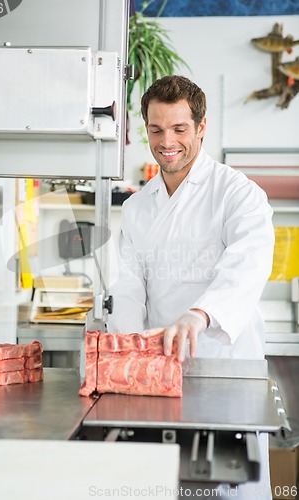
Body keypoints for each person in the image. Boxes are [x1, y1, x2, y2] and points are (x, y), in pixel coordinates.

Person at [108, 75, 275, 499]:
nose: (168, 141)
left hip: (222, 365)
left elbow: (248, 265)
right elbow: (129, 286)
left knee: (226, 483)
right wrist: (125, 352)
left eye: (180, 129)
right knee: (165, 483)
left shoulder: (238, 194)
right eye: (157, 129)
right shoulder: (136, 207)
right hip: (158, 369)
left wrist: (199, 314)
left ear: (201, 127)